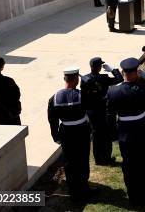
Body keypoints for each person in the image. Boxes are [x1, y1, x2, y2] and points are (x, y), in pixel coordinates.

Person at [107, 57, 145, 205]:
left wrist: (114, 135)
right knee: (140, 165)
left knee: (128, 165)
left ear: (122, 72)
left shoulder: (112, 91)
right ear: (137, 73)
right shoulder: (143, 90)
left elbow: (109, 115)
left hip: (124, 133)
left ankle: (133, 195)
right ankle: (143, 195)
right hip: (141, 131)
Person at [47, 67, 92, 201]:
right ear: (77, 79)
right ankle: (84, 189)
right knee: (82, 161)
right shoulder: (82, 95)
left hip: (66, 132)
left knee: (69, 162)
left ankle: (74, 191)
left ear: (64, 79)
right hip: (81, 131)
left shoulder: (54, 98)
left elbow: (52, 119)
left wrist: (56, 136)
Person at [80, 57, 123, 165]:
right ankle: (106, 158)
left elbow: (84, 97)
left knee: (96, 135)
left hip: (91, 111)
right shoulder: (104, 78)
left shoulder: (85, 79)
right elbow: (120, 78)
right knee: (106, 135)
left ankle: (98, 159)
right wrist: (113, 70)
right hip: (103, 110)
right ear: (99, 67)